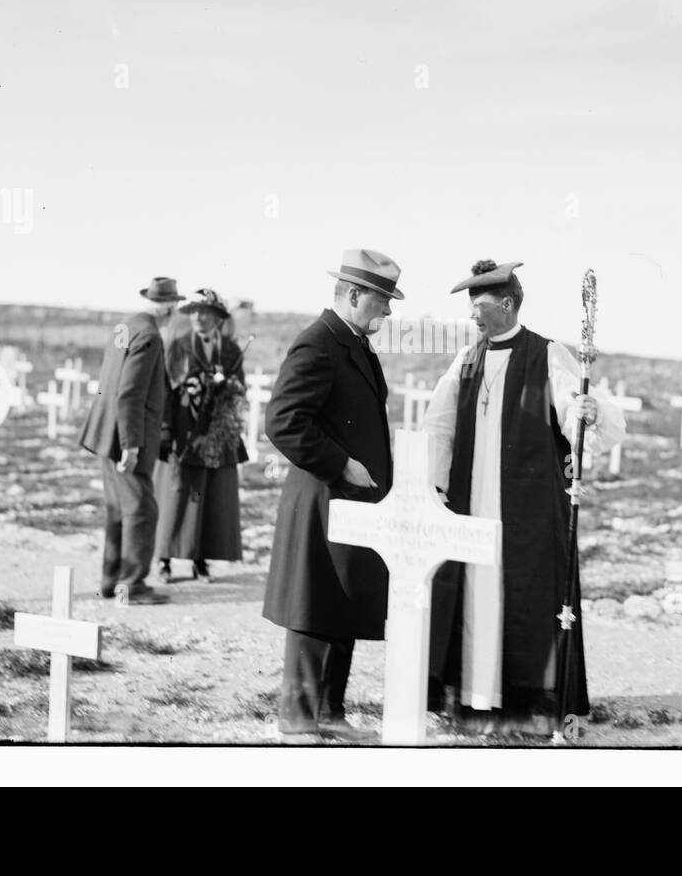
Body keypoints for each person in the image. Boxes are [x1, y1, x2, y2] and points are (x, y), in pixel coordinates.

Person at [424, 260, 625, 736]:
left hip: (530, 510)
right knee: (472, 597)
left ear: (508, 304)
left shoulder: (547, 355)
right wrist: (433, 486)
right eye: (471, 306)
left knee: (528, 600)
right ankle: (476, 703)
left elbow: (576, 411)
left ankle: (531, 708)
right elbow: (440, 423)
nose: (473, 315)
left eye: (480, 305)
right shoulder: (466, 360)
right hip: (471, 505)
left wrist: (587, 411)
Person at [261, 249, 403, 743]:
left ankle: (328, 711)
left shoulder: (355, 344)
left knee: (340, 603)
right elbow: (282, 422)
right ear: (355, 294)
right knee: (313, 604)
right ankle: (299, 718)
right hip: (322, 496)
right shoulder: (318, 343)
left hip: (349, 503)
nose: (388, 311)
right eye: (383, 300)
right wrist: (341, 463)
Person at [78, 276, 182, 605]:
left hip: (105, 433)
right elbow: (130, 393)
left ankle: (112, 581)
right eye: (174, 304)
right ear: (167, 306)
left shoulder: (127, 326)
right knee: (141, 509)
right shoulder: (150, 335)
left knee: (119, 510)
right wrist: (131, 445)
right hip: (125, 436)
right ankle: (132, 586)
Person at [153, 288, 248, 584]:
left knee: (206, 494)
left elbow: (239, 391)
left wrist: (228, 388)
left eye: (206, 312)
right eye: (194, 311)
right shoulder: (179, 346)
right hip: (184, 430)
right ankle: (165, 559)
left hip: (215, 433)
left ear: (218, 318)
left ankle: (200, 559)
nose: (199, 318)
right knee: (175, 493)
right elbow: (167, 391)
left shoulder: (231, 350)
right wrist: (166, 432)